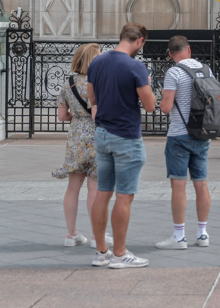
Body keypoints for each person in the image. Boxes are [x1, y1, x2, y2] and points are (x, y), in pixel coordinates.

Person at [87, 23, 157, 269]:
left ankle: (101, 252)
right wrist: (148, 85)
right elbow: (150, 106)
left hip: (102, 134)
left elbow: (92, 98)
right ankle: (119, 254)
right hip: (126, 136)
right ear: (139, 40)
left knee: (102, 193)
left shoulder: (97, 62)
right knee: (124, 197)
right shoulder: (136, 66)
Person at [155, 35, 215, 251]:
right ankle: (202, 233)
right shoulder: (207, 70)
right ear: (189, 49)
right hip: (203, 133)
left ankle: (179, 237)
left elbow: (166, 108)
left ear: (171, 55)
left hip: (179, 135)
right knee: (201, 184)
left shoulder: (174, 72)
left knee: (178, 185)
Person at [53, 43, 114, 249]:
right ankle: (97, 235)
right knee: (94, 189)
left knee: (73, 188)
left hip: (76, 136)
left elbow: (62, 116)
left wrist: (76, 116)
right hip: (97, 134)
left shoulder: (67, 84)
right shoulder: (100, 82)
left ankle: (71, 235)